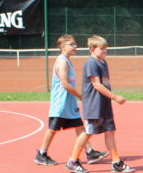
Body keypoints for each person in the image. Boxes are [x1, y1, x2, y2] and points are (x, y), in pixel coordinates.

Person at [65, 35, 135, 173]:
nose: (104, 51)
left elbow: (105, 84)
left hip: (104, 104)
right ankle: (72, 161)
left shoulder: (103, 62)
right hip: (94, 105)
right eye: (101, 48)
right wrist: (115, 97)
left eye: (105, 48)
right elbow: (96, 84)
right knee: (88, 132)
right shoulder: (91, 63)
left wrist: (109, 98)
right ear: (92, 49)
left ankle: (116, 162)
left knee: (110, 131)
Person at [34, 35, 107, 166]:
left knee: (79, 126)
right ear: (63, 47)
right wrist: (81, 96)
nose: (75, 46)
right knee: (53, 129)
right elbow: (65, 84)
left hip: (69, 102)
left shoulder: (68, 61)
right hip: (60, 102)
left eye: (75, 44)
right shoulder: (62, 62)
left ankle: (90, 152)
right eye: (71, 44)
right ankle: (41, 154)